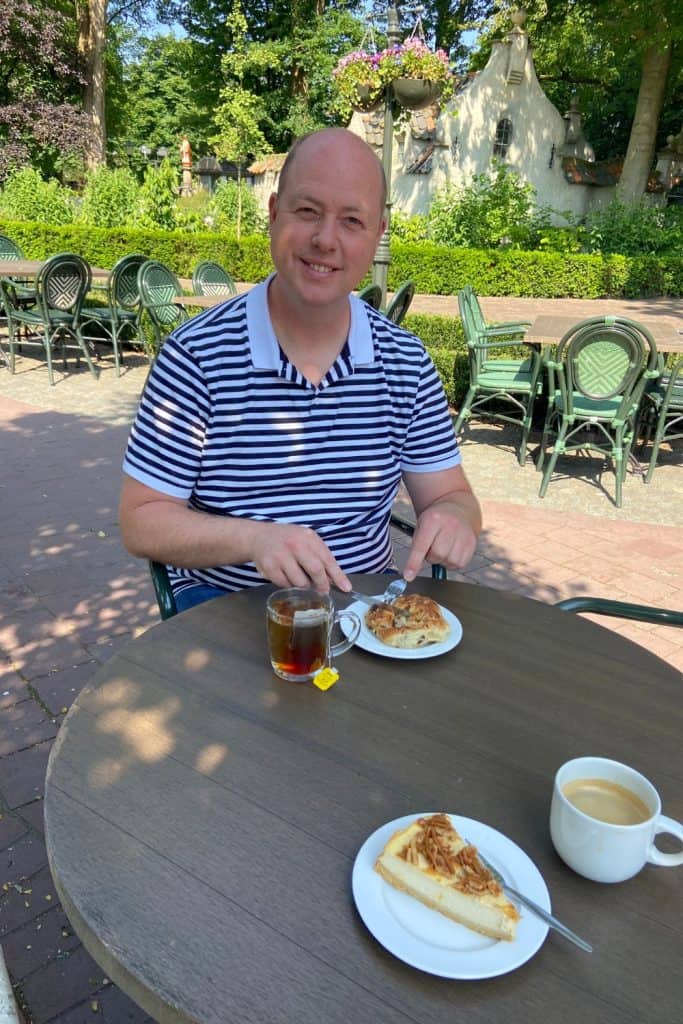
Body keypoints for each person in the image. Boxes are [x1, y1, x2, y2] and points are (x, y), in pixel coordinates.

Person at [119, 127, 481, 612]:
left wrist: (455, 517)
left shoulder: (406, 363)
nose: (325, 239)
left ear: (378, 235)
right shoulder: (196, 355)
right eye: (307, 211)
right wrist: (255, 540)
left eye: (352, 220)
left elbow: (453, 497)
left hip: (363, 609)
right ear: (273, 215)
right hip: (224, 608)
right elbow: (141, 519)